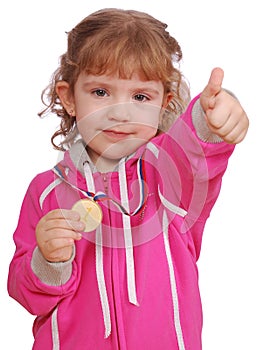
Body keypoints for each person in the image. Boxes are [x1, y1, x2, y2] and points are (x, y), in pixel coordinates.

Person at [7, 8, 249, 350]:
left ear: (164, 103)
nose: (120, 112)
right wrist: (48, 261)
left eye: (140, 97)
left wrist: (214, 118)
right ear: (68, 97)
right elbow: (27, 294)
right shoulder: (45, 191)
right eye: (101, 92)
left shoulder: (169, 174)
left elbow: (197, 149)